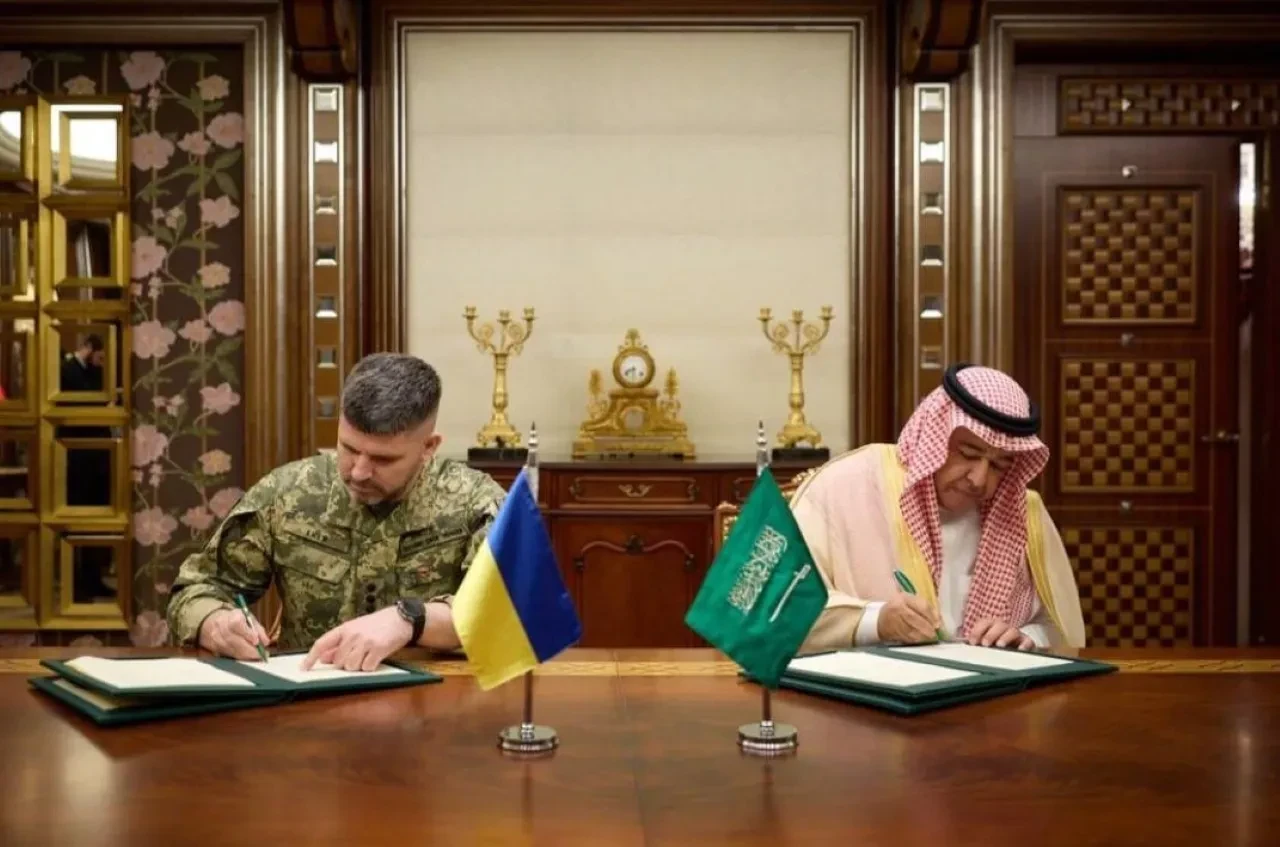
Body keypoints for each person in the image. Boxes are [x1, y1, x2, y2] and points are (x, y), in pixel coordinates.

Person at [165, 353, 506, 671]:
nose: (359, 472)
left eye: (383, 459)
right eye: (349, 448)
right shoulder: (289, 493)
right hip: (309, 692)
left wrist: (410, 620)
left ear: (428, 447)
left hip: (435, 697)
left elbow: (506, 615)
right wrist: (215, 622)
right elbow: (196, 589)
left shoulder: (476, 504)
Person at [791, 363, 1085, 653]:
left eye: (998, 466)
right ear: (934, 435)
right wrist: (876, 622)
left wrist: (1024, 637)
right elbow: (782, 607)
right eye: (968, 454)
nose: (979, 479)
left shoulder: (1024, 513)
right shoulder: (845, 486)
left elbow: (1059, 627)